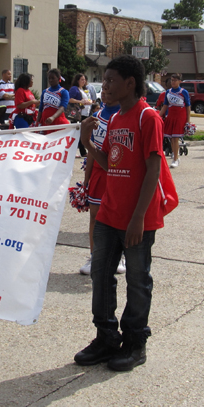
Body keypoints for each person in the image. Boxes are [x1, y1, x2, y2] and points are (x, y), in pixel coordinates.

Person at [75, 55, 178, 372]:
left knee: (137, 280)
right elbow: (111, 163)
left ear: (130, 83)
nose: (103, 86)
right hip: (109, 213)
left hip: (138, 219)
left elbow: (153, 169)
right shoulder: (116, 117)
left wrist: (138, 218)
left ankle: (135, 343)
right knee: (101, 276)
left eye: (109, 80)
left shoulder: (148, 118)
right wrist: (87, 142)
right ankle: (106, 337)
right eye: (102, 80)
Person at [80, 91, 124, 276]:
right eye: (103, 88)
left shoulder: (124, 115)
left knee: (119, 217)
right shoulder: (96, 117)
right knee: (95, 217)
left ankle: (120, 256)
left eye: (110, 87)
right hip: (99, 172)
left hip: (120, 173)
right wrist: (86, 180)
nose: (105, 92)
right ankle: (94, 256)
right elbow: (91, 149)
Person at [158, 73, 191, 168]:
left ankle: (175, 158)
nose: (173, 82)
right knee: (171, 138)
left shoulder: (183, 92)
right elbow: (165, 105)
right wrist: (158, 116)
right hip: (171, 116)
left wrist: (188, 120)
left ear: (179, 81)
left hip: (180, 116)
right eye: (172, 80)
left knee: (176, 138)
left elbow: (188, 106)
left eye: (175, 80)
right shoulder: (168, 92)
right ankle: (175, 154)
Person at [69, 74, 96, 156]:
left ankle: (82, 151)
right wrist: (80, 102)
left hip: (86, 113)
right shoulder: (74, 89)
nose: (84, 81)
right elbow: (70, 99)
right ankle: (81, 151)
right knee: (79, 132)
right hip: (78, 114)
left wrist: (90, 102)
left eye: (84, 79)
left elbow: (90, 99)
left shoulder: (85, 89)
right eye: (82, 79)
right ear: (77, 80)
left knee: (84, 132)